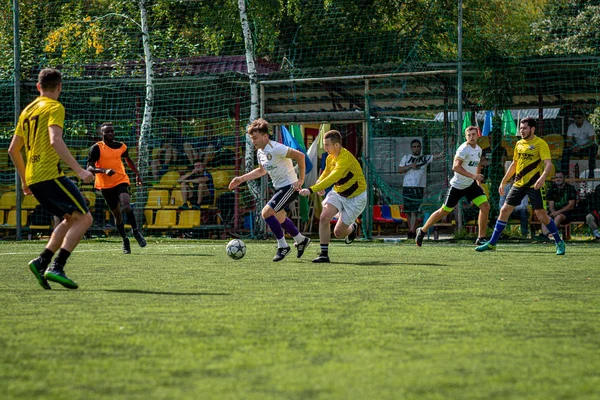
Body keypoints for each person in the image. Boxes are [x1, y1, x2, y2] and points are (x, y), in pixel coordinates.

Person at [8, 68, 95, 290]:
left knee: (70, 219)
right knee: (85, 219)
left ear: (38, 87)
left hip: (34, 177)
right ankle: (57, 267)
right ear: (59, 87)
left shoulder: (27, 111)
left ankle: (41, 261)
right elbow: (55, 141)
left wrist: (24, 180)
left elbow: (13, 150)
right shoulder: (55, 107)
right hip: (49, 174)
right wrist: (80, 171)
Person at [476, 117, 566, 255]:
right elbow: (514, 164)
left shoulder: (540, 143)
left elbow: (548, 164)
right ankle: (492, 243)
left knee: (541, 215)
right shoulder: (518, 144)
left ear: (532, 129)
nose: (521, 131)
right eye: (521, 128)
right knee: (504, 210)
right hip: (518, 184)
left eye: (524, 128)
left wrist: (542, 178)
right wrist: (503, 181)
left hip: (534, 185)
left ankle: (559, 242)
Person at [229, 118, 310, 261]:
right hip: (280, 188)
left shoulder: (277, 148)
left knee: (266, 213)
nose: (253, 141)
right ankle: (301, 239)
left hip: (290, 186)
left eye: (255, 138)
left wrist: (301, 180)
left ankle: (283, 246)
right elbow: (261, 171)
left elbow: (301, 156)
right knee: (280, 218)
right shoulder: (260, 152)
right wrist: (240, 179)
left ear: (265, 136)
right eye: (251, 138)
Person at [415, 126, 490, 247]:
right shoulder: (463, 149)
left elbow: (477, 164)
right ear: (466, 137)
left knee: (485, 206)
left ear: (478, 135)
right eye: (469, 135)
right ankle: (422, 230)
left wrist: (478, 182)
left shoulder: (478, 149)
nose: (471, 137)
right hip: (458, 186)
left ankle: (481, 238)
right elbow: (455, 167)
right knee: (444, 211)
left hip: (470, 184)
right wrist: (473, 176)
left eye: (473, 134)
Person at [299, 130, 367, 263]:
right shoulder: (330, 157)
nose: (325, 148)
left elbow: (333, 177)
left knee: (338, 233)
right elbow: (326, 173)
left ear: (336, 145)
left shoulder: (344, 158)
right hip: (338, 193)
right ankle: (324, 254)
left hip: (356, 198)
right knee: (324, 217)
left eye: (327, 145)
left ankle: (352, 228)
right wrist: (319, 183)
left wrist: (312, 189)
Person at [86, 122, 147, 254]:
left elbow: (128, 159)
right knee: (117, 215)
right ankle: (125, 240)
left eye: (112, 131)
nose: (110, 134)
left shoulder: (121, 146)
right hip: (105, 185)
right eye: (107, 132)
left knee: (126, 206)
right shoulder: (96, 148)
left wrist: (137, 174)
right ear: (101, 133)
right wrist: (104, 170)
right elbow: (89, 168)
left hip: (121, 180)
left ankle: (136, 232)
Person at [398, 139, 432, 239]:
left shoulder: (425, 158)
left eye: (418, 146)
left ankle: (413, 231)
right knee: (408, 211)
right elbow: (400, 170)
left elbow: (439, 156)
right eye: (414, 146)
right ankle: (411, 231)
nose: (416, 148)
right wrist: (410, 166)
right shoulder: (406, 157)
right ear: (411, 148)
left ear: (420, 147)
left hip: (419, 187)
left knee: (415, 211)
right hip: (407, 186)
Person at [538, 171, 577, 239]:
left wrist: (556, 213)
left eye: (560, 177)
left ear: (564, 178)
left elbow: (571, 205)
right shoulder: (552, 189)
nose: (558, 179)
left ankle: (549, 234)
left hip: (568, 213)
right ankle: (545, 235)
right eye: (556, 177)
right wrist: (553, 212)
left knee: (559, 216)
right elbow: (551, 205)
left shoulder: (570, 188)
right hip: (555, 212)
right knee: (545, 215)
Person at [561, 111, 598, 179]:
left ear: (583, 118)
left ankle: (591, 172)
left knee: (593, 148)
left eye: (579, 118)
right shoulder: (571, 127)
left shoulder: (589, 126)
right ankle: (564, 174)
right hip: (576, 148)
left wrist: (581, 147)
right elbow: (568, 142)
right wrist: (573, 147)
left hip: (587, 148)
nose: (577, 120)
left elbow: (591, 141)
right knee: (565, 150)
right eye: (575, 118)